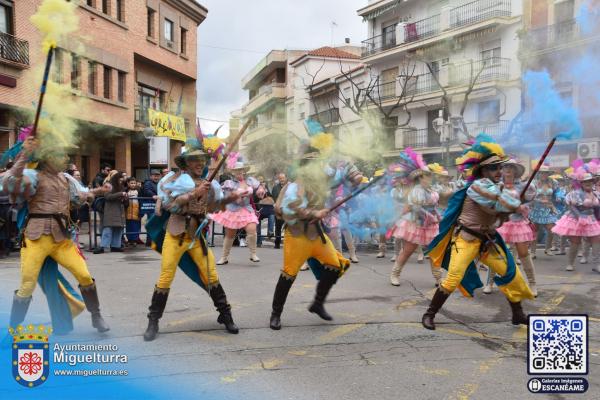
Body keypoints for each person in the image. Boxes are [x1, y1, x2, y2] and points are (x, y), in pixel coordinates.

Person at [423, 135, 534, 330]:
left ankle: (517, 314)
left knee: (512, 274)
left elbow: (499, 211)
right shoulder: (477, 186)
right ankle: (429, 314)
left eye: (500, 167)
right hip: (465, 239)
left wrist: (512, 206)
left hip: (488, 241)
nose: (499, 171)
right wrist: (515, 205)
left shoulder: (498, 188)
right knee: (452, 278)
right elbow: (495, 201)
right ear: (482, 170)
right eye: (493, 167)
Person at [3, 136, 110, 334]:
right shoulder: (33, 175)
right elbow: (10, 182)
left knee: (85, 275)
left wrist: (100, 191)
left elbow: (80, 196)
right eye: (61, 154)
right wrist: (25, 153)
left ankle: (96, 316)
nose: (66, 158)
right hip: (36, 238)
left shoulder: (66, 178)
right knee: (27, 285)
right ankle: (13, 329)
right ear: (48, 157)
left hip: (62, 239)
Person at [143, 142, 241, 341]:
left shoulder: (208, 183)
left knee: (211, 274)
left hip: (196, 237)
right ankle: (153, 321)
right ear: (186, 163)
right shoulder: (175, 181)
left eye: (202, 159)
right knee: (166, 277)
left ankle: (225, 315)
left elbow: (214, 207)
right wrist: (193, 194)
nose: (200, 163)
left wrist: (232, 198)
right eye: (195, 159)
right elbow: (170, 206)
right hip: (175, 234)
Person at [268, 129, 362, 331]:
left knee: (335, 265)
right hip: (297, 235)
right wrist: (313, 212)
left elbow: (343, 169)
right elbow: (289, 209)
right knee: (289, 274)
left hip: (317, 235)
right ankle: (275, 314)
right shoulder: (298, 184)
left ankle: (317, 303)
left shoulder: (324, 175)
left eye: (319, 162)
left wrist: (354, 174)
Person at [389, 151, 442, 287]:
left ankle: (438, 278)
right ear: (420, 178)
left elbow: (434, 205)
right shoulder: (416, 190)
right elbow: (417, 208)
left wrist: (437, 215)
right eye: (427, 176)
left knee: (434, 251)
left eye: (430, 176)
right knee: (408, 250)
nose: (429, 178)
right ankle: (395, 274)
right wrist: (430, 216)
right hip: (416, 223)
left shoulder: (431, 190)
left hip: (430, 224)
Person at [495, 159, 538, 296]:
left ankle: (532, 283)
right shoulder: (497, 186)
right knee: (498, 253)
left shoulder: (523, 186)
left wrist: (524, 207)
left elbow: (530, 202)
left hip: (518, 223)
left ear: (515, 171)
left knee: (523, 253)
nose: (507, 169)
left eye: (511, 167)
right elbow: (492, 203)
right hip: (502, 223)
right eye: (505, 167)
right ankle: (490, 282)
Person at [211, 156, 262, 264]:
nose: (239, 172)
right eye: (236, 171)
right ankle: (224, 257)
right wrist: (235, 195)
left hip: (246, 209)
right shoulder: (229, 183)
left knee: (252, 229)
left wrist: (260, 191)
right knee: (230, 235)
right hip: (233, 210)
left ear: (244, 171)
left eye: (241, 170)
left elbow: (260, 188)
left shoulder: (250, 180)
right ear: (233, 172)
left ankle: (253, 254)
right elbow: (225, 195)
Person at [552, 165, 600, 272]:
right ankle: (570, 263)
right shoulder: (574, 193)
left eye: (590, 181)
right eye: (585, 181)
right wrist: (579, 216)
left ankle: (596, 265)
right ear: (581, 183)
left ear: (593, 182)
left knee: (597, 240)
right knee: (575, 242)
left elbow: (597, 208)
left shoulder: (596, 194)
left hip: (591, 219)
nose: (588, 183)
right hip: (576, 219)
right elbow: (570, 206)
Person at [529, 163, 560, 258]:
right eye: (542, 173)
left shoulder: (553, 182)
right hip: (536, 209)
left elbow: (557, 192)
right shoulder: (533, 183)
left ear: (548, 174)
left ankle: (548, 248)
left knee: (552, 229)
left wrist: (558, 197)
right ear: (539, 173)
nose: (544, 175)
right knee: (535, 231)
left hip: (549, 208)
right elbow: (529, 196)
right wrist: (538, 200)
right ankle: (533, 252)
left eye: (546, 173)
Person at [93, 171, 128, 254]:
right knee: (108, 229)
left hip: (119, 210)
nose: (121, 181)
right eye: (120, 180)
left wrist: (125, 198)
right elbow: (107, 196)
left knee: (118, 229)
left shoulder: (121, 186)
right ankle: (103, 246)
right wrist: (120, 194)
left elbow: (123, 198)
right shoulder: (108, 185)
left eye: (122, 180)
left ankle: (115, 246)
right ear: (116, 179)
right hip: (111, 210)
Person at [271, 173, 288, 249]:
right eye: (280, 178)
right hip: (278, 210)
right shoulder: (275, 188)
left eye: (283, 178)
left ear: (285, 178)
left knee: (288, 228)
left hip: (288, 211)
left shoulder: (289, 187)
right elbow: (274, 198)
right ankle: (277, 243)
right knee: (278, 227)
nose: (282, 180)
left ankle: (288, 244)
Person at [125, 176, 143, 246]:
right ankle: (129, 239)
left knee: (136, 226)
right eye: (131, 183)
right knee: (128, 226)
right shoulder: (126, 190)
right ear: (128, 183)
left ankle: (135, 240)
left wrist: (141, 211)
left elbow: (141, 201)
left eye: (134, 183)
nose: (133, 184)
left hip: (136, 212)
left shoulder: (139, 191)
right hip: (128, 212)